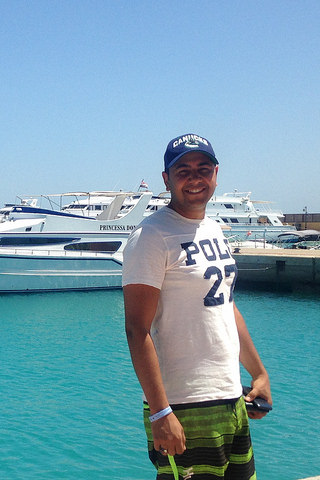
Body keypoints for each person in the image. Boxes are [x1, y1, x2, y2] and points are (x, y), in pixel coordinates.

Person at [122, 133, 272, 479]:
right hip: (183, 406)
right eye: (183, 171)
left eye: (203, 169)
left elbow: (226, 307)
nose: (195, 178)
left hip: (231, 399)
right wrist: (161, 413)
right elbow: (136, 330)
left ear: (216, 174)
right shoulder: (151, 236)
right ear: (167, 180)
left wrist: (259, 374)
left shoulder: (214, 229)